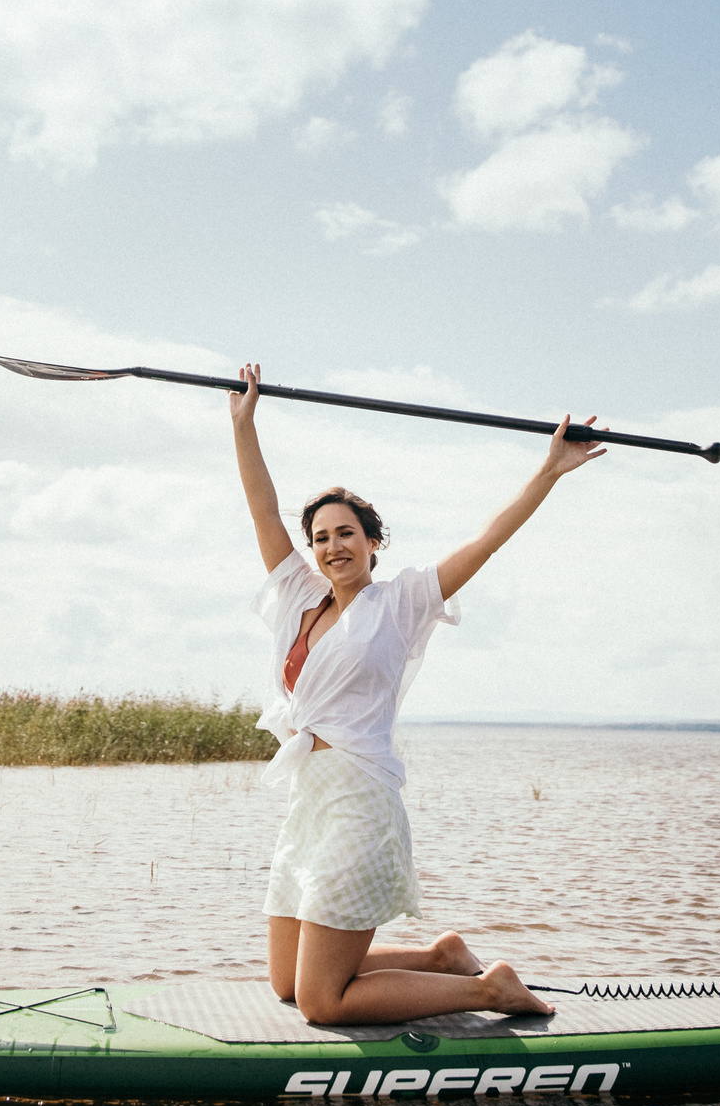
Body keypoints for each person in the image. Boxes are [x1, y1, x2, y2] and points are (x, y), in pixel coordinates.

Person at [230, 361, 605, 1025]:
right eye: (320, 537)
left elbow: (487, 540)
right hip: (309, 800)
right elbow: (261, 504)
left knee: (321, 1002)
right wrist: (244, 424)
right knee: (287, 983)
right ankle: (439, 955)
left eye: (346, 533)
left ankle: (490, 988)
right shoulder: (298, 597)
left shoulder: (399, 601)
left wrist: (548, 470)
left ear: (373, 542)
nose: (331, 546)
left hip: (358, 803)